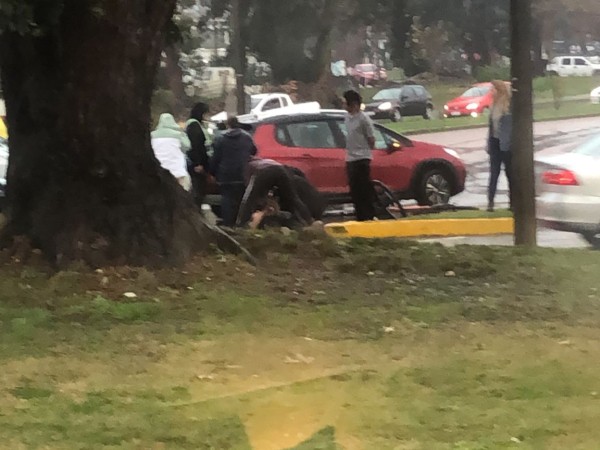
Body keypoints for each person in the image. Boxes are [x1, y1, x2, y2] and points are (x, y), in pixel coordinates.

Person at [236, 157, 317, 228]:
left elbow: (249, 192)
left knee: (249, 200)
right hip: (281, 171)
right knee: (293, 198)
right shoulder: (264, 161)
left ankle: (241, 225)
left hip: (266, 172)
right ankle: (309, 220)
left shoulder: (249, 167)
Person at [209, 116, 257, 227]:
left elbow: (215, 157)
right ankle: (240, 223)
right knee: (242, 199)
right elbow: (254, 151)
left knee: (227, 200)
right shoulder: (247, 137)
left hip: (226, 175)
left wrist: (212, 172)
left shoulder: (220, 138)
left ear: (228, 125)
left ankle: (228, 224)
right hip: (242, 174)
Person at [343, 90, 376, 221]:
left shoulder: (364, 119)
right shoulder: (347, 118)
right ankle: (360, 216)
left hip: (362, 158)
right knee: (354, 189)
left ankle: (368, 215)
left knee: (364, 188)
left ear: (355, 105)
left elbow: (371, 138)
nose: (344, 106)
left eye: (346, 103)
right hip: (350, 158)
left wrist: (366, 149)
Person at [487, 80, 513, 212]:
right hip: (495, 143)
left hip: (506, 146)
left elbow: (510, 129)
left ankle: (512, 203)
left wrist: (508, 145)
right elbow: (491, 128)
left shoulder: (508, 106)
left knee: (510, 174)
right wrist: (489, 144)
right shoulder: (493, 106)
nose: (491, 91)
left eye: (493, 89)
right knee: (494, 173)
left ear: (500, 90)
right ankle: (490, 202)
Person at [151, 113, 191, 191]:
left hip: (159, 172)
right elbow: (187, 146)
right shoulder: (178, 134)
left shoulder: (152, 135)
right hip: (177, 171)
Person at [186, 103, 211, 208]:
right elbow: (196, 145)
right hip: (197, 165)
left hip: (198, 162)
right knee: (198, 191)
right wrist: (198, 163)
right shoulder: (194, 126)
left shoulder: (196, 125)